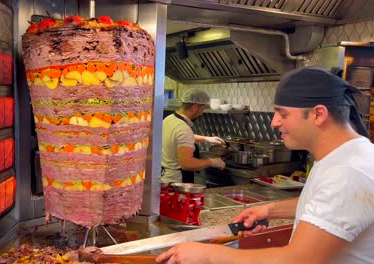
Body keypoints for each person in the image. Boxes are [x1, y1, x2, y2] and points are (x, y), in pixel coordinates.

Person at [157, 67, 374, 263]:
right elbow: (321, 202)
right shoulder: (341, 157)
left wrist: (207, 254)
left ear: (318, 114)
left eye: (283, 113)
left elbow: (299, 259)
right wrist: (269, 210)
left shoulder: (348, 172)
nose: (274, 122)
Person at [161, 88, 226, 184]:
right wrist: (212, 162)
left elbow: (178, 138)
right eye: (202, 109)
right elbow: (187, 164)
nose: (202, 113)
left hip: (164, 176)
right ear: (195, 107)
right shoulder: (183, 128)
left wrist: (206, 139)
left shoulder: (169, 119)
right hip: (176, 181)